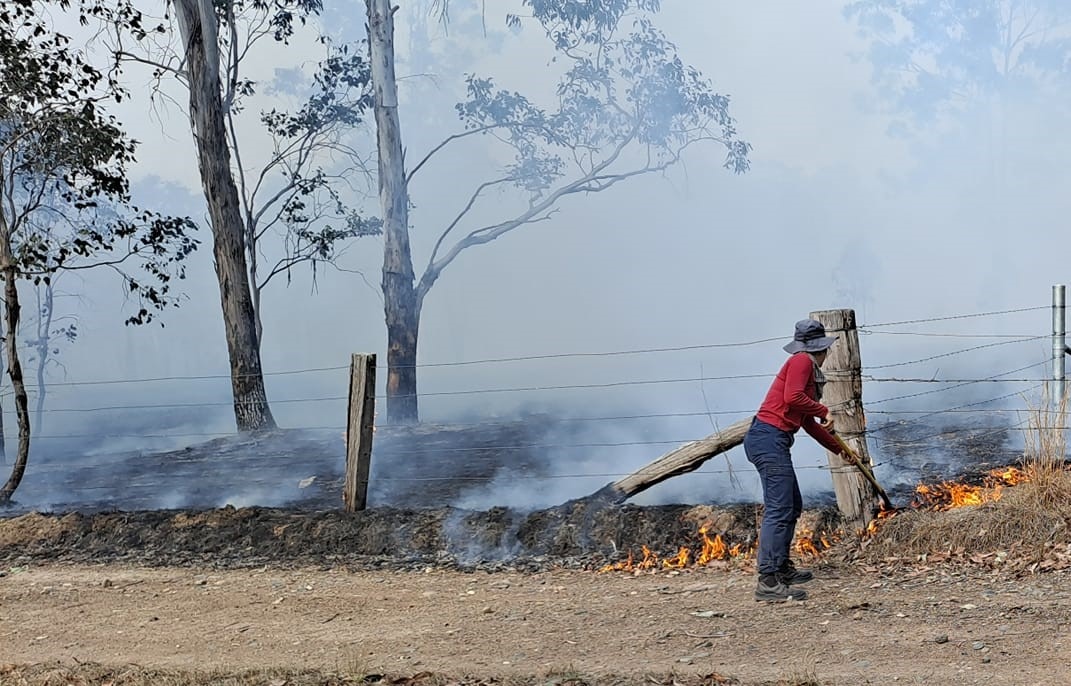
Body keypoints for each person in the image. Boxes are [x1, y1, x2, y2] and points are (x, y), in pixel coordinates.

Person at [745, 318, 845, 602]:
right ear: (821, 349)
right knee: (779, 509)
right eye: (826, 350)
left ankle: (781, 568)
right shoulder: (802, 361)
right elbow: (792, 398)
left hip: (771, 440)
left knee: (792, 505)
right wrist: (825, 409)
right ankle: (768, 581)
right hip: (768, 438)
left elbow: (808, 422)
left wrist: (839, 449)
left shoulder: (806, 369)